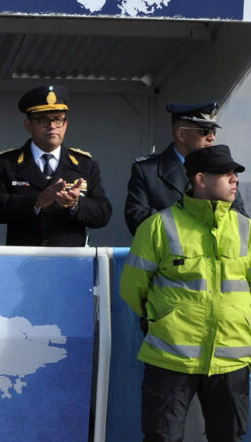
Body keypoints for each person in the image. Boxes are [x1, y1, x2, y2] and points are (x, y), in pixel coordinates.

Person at [120, 144, 251, 442]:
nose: (234, 180)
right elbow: (132, 289)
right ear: (200, 180)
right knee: (162, 438)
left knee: (229, 437)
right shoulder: (158, 227)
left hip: (231, 359)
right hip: (171, 358)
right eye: (225, 173)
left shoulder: (246, 229)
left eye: (235, 173)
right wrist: (160, 322)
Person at [0, 84, 111, 246]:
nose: (52, 126)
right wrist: (36, 202)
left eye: (58, 119)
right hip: (22, 262)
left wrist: (75, 204)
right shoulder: (6, 163)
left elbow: (103, 213)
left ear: (65, 124)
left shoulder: (85, 164)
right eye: (43, 119)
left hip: (70, 263)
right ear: (28, 124)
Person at [125, 101, 248, 235]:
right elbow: (137, 220)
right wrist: (189, 224)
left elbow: (240, 218)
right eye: (204, 131)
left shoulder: (222, 172)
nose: (212, 137)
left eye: (213, 130)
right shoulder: (148, 171)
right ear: (181, 134)